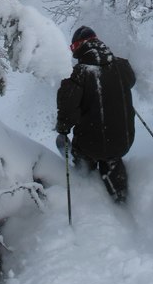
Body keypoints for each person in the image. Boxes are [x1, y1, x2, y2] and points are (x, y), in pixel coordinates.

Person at [56, 26, 136, 204]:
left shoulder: (77, 74)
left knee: (72, 144)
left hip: (90, 144)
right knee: (111, 153)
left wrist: (63, 128)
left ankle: (85, 169)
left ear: (78, 46)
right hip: (123, 140)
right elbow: (131, 81)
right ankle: (119, 190)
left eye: (73, 47)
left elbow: (68, 110)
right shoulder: (121, 65)